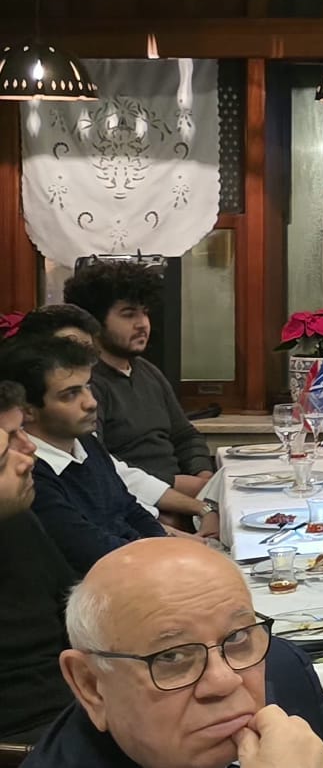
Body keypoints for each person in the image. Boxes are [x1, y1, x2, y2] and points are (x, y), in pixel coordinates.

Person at [25, 537, 323, 768]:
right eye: (173, 657)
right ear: (91, 685)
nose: (224, 680)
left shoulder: (280, 675)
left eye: (236, 637)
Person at [13, 305, 210, 532]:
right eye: (67, 349)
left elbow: (123, 494)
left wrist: (201, 508)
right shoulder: (31, 464)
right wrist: (169, 526)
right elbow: (93, 537)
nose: (90, 402)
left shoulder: (85, 441)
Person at [3, 337, 167, 574]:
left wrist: (164, 547)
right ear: (27, 411)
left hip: (140, 565)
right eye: (70, 395)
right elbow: (91, 552)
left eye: (88, 387)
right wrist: (161, 558)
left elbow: (130, 508)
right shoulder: (30, 474)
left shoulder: (86, 442)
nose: (91, 403)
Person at [63, 262, 213, 498]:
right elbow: (100, 463)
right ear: (94, 322)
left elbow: (185, 436)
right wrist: (181, 486)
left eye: (145, 312)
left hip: (186, 494)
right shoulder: (86, 384)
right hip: (139, 502)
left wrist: (204, 477)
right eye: (129, 314)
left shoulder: (148, 371)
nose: (143, 324)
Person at [0, 380, 78, 744]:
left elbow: (71, 607)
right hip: (36, 733)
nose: (29, 450)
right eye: (6, 451)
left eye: (21, 431)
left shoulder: (16, 516)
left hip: (84, 694)